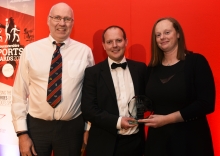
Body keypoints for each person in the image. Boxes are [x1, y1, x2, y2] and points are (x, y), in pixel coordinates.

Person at [11, 2, 94, 156]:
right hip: (36, 128)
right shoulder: (30, 51)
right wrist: (22, 133)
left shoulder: (85, 52)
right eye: (57, 18)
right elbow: (18, 95)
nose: (62, 23)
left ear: (73, 23)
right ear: (48, 20)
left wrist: (87, 129)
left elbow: (91, 95)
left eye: (67, 19)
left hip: (71, 129)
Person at [138, 17, 215, 156]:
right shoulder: (151, 68)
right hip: (158, 141)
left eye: (167, 32)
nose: (162, 37)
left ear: (178, 34)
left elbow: (206, 104)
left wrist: (166, 119)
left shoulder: (196, 62)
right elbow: (149, 103)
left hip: (191, 140)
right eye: (158, 35)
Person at [81, 25, 146, 156]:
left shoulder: (141, 69)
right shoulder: (92, 73)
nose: (114, 45)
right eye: (109, 42)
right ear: (104, 46)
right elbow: (88, 110)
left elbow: (147, 99)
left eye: (119, 40)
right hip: (103, 144)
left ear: (126, 42)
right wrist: (118, 122)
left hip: (136, 143)